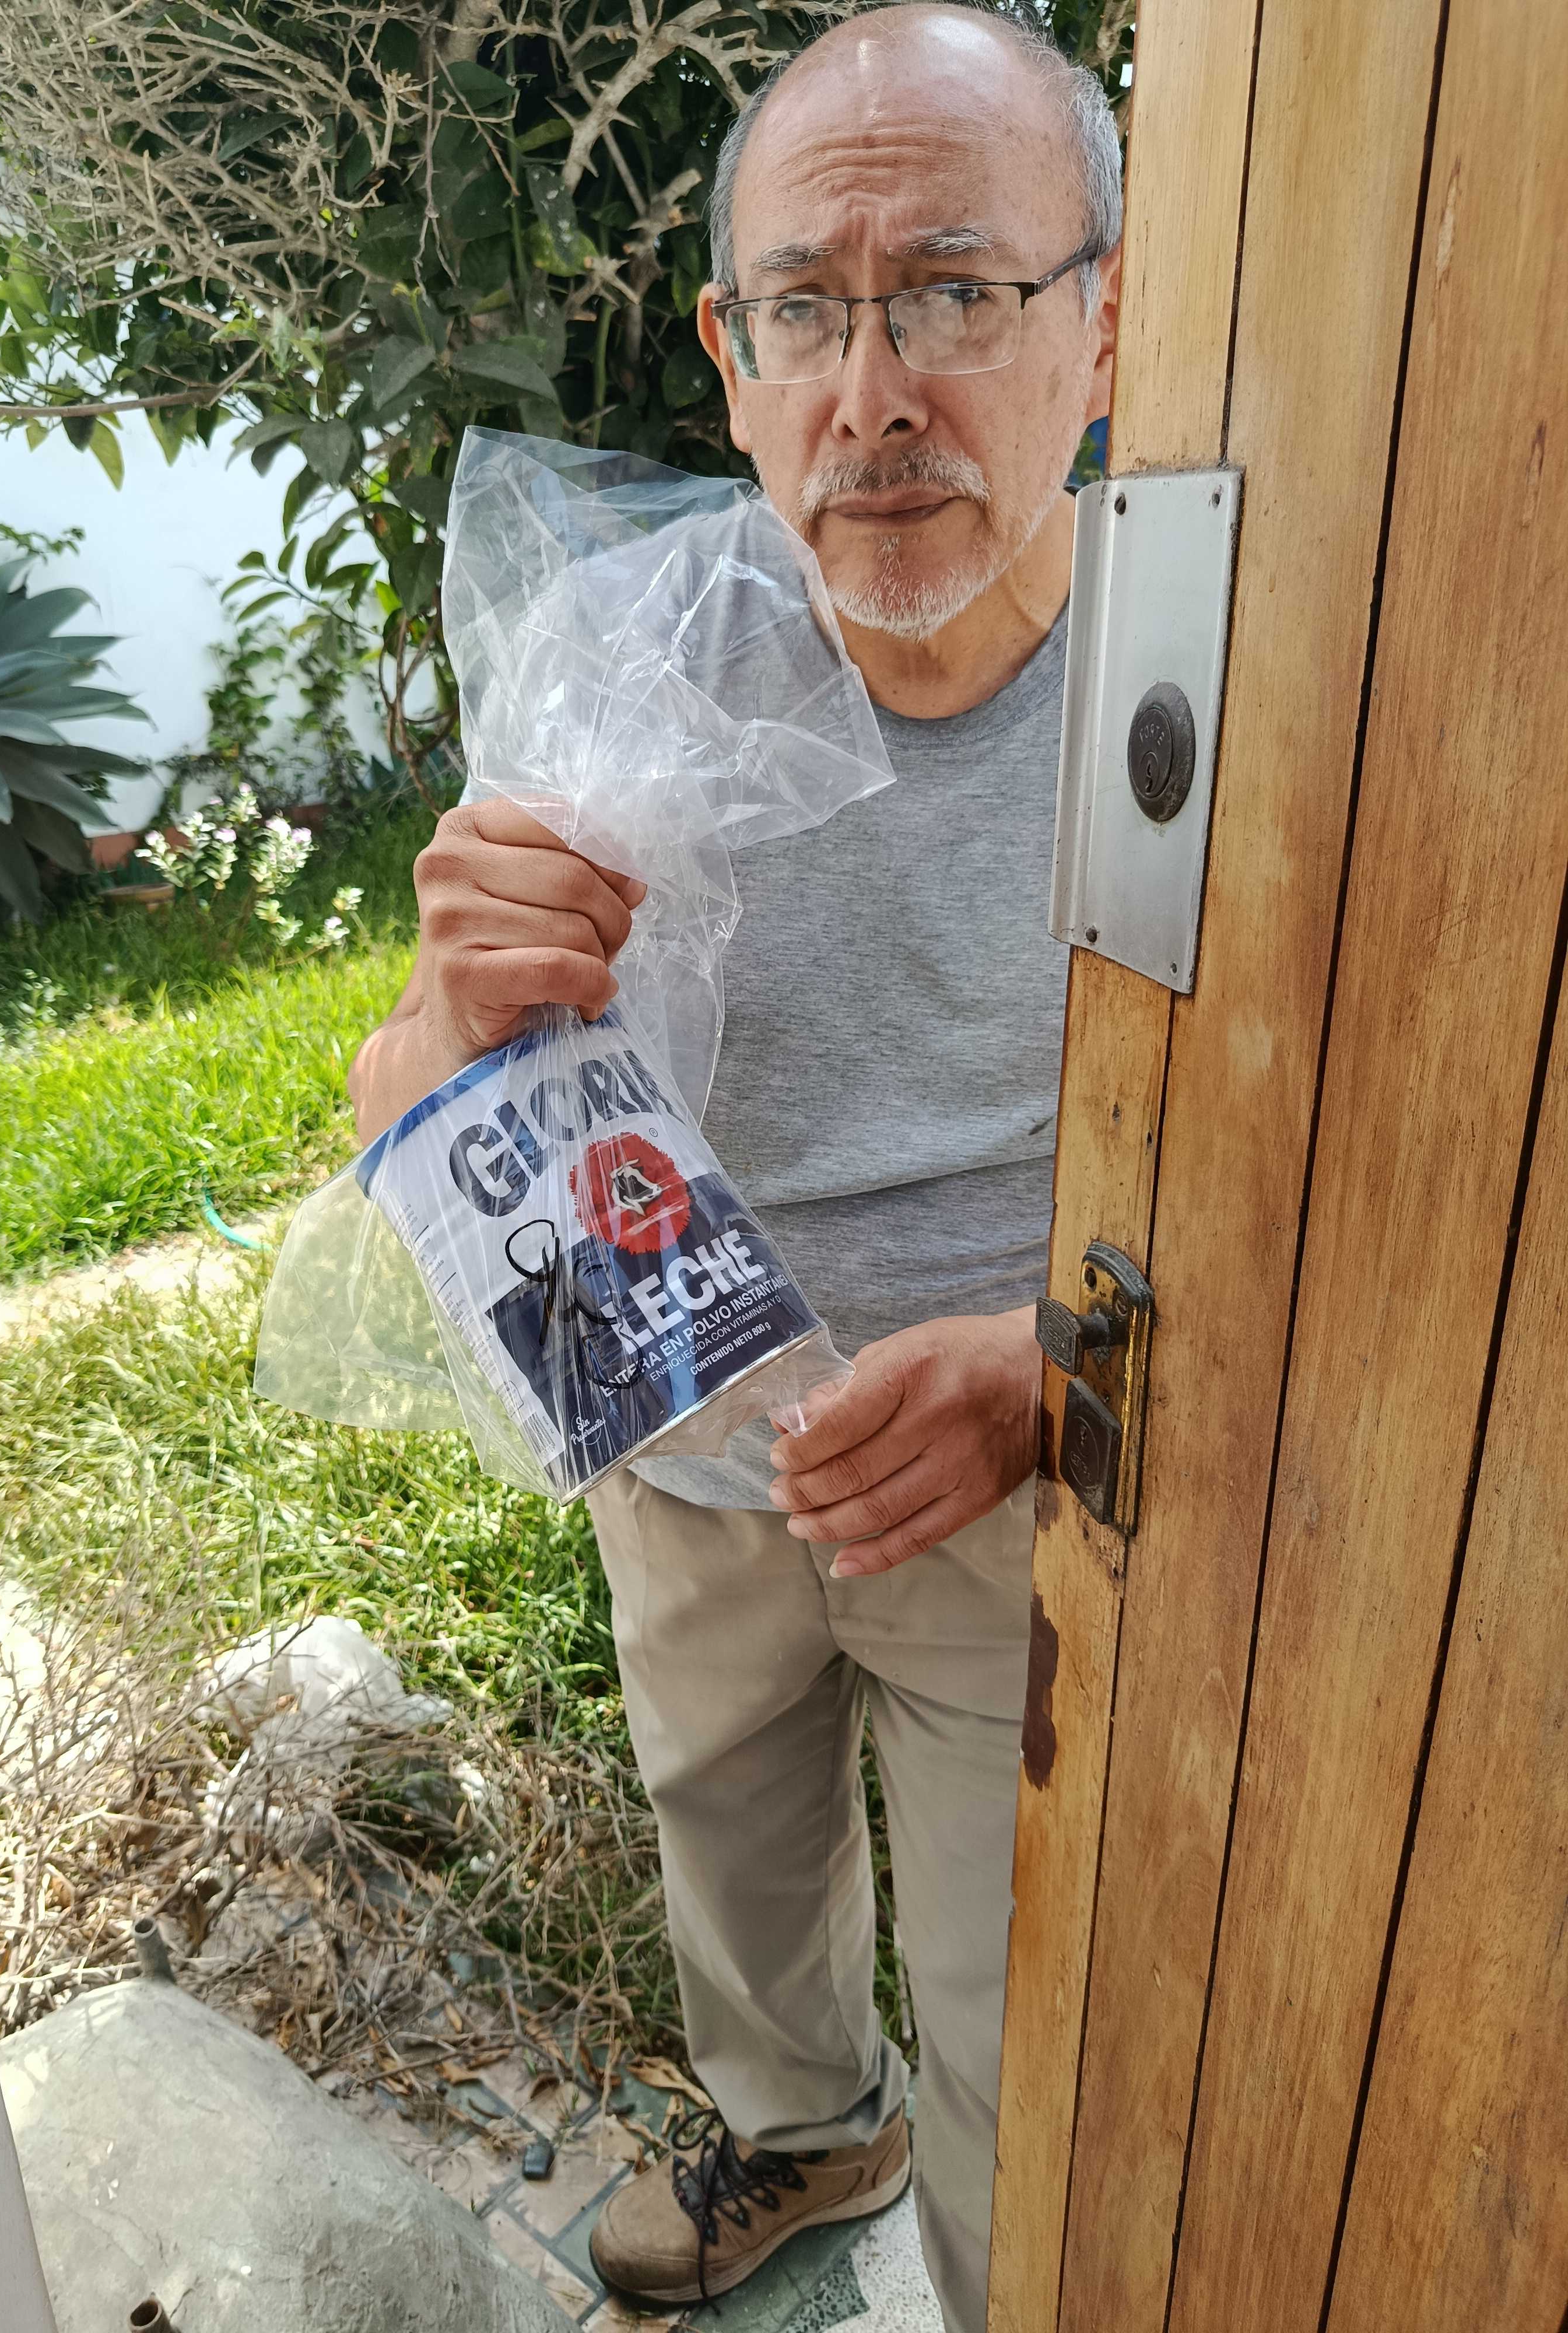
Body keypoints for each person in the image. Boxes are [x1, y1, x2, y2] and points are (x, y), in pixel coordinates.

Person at [348, 7, 1121, 2322]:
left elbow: (1355, 1168)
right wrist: (455, 1005)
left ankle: (998, 2271)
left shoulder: (1221, 683)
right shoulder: (625, 657)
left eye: (958, 292)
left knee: (1030, 2015)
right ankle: (801, 2125)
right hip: (679, 1439)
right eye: (811, 307)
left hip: (1033, 1458)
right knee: (732, 1837)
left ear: (1111, 323)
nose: (875, 394)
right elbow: (413, 1110)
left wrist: (1051, 1367)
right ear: (732, 358)